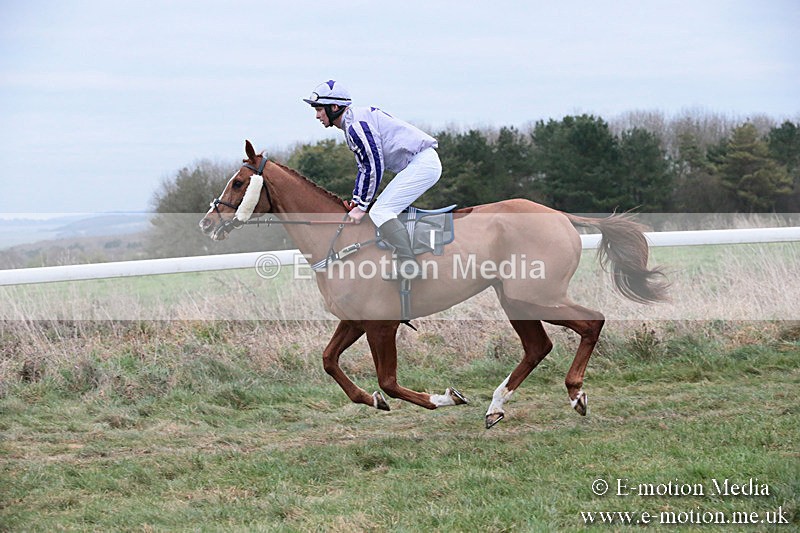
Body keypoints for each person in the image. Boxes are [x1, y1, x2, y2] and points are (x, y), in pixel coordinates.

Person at [303, 80, 442, 280]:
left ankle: (409, 266)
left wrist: (361, 206)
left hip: (423, 164)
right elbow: (364, 168)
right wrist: (357, 200)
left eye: (319, 109)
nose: (317, 115)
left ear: (334, 107)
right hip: (419, 163)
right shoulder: (352, 124)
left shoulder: (355, 126)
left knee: (380, 211)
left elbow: (373, 166)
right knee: (378, 208)